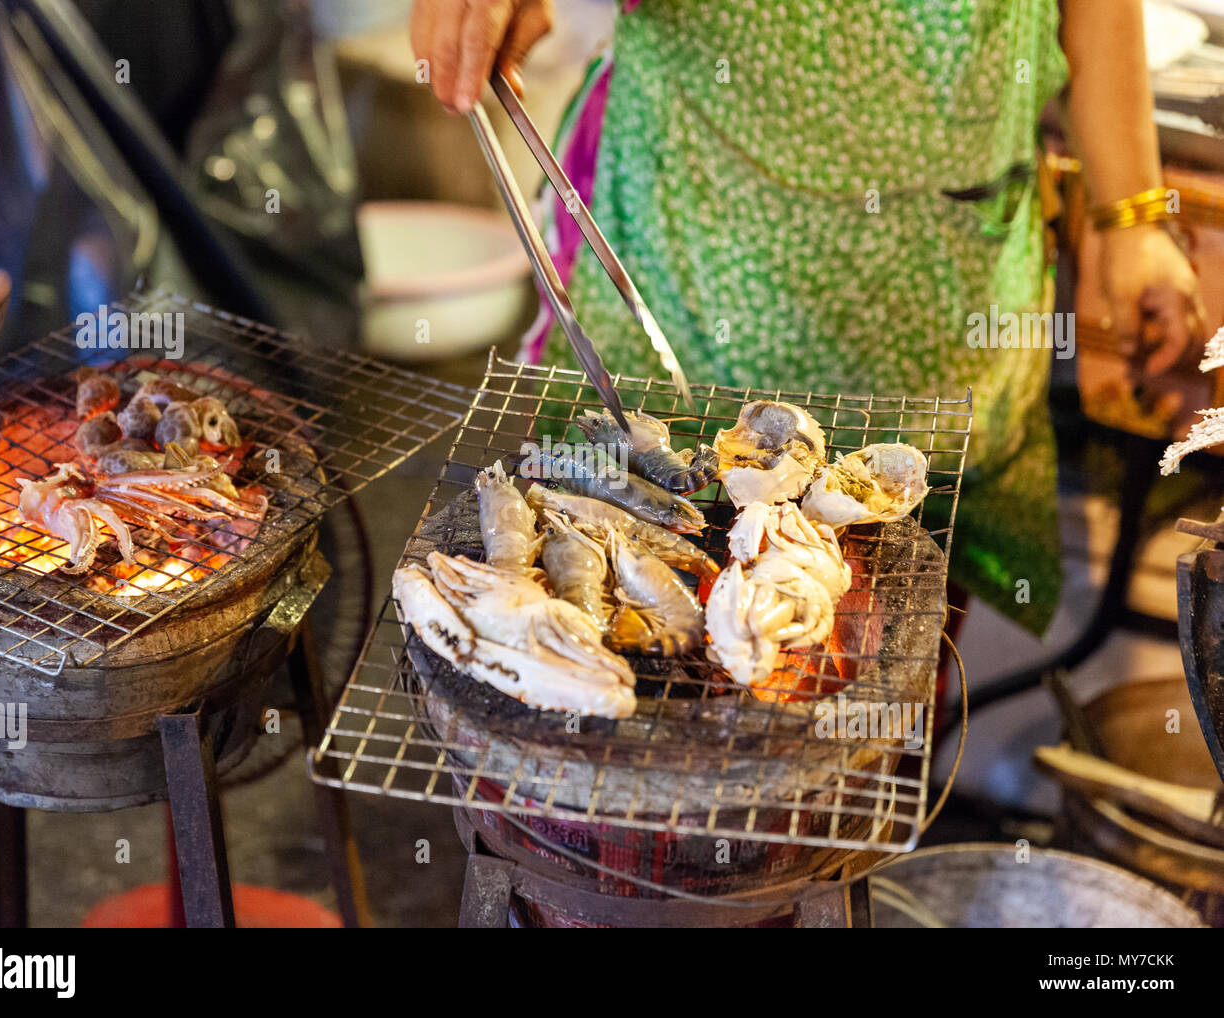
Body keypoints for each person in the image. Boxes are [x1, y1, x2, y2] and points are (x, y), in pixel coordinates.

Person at [410, 0, 1207, 636]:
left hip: (945, 278)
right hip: (693, 218)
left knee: (878, 640)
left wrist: (1134, 216)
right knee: (608, 580)